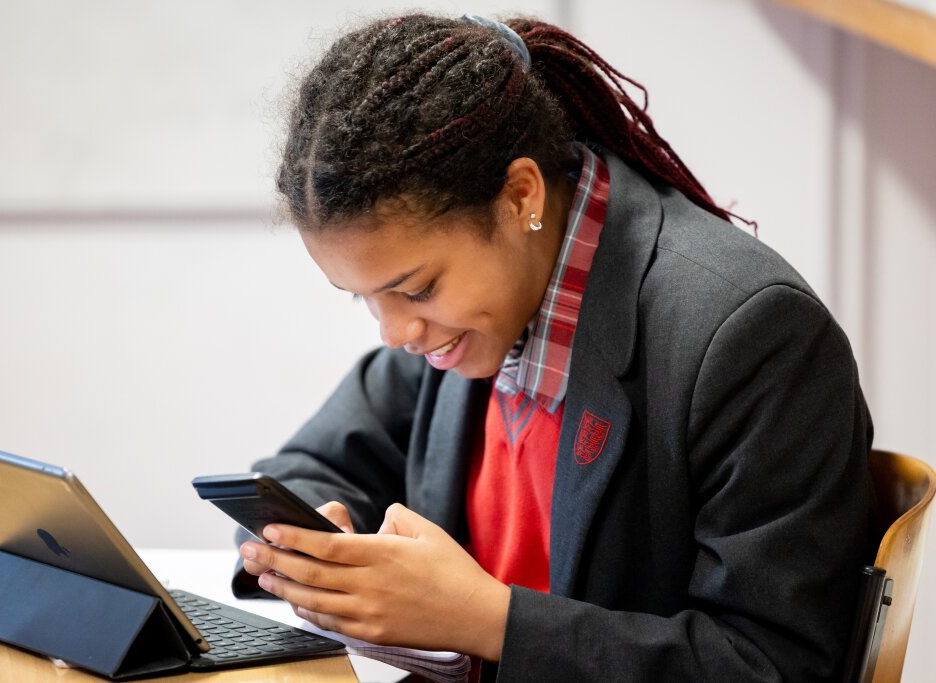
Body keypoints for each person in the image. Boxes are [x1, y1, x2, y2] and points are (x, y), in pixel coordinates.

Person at [231, 12, 873, 682]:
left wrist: (485, 618)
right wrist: (307, 538)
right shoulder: (458, 323)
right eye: (362, 298)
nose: (393, 334)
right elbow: (310, 465)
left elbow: (776, 664)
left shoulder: (750, 336)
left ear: (519, 197)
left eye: (416, 289)